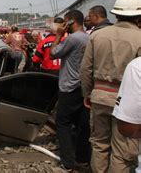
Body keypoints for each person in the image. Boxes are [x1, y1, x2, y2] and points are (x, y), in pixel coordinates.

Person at [80, 0, 141, 172]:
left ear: (115, 14)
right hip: (127, 103)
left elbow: (86, 70)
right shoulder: (139, 38)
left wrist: (87, 94)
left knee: (99, 144)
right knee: (123, 152)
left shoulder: (97, 35)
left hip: (99, 97)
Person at [50, 10, 91, 171]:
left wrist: (59, 35)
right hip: (84, 86)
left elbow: (53, 53)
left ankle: (68, 160)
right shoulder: (89, 37)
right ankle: (83, 158)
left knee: (63, 123)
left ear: (70, 21)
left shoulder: (73, 39)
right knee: (83, 124)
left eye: (64, 22)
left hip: (69, 86)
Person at [112, 56, 141, 173]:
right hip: (123, 94)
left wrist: (87, 92)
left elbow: (128, 128)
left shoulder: (137, 66)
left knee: (119, 153)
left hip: (102, 91)